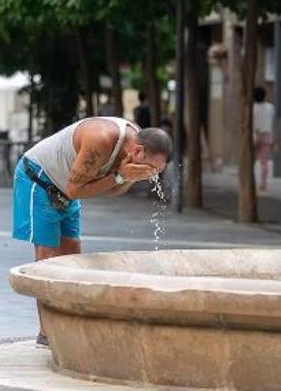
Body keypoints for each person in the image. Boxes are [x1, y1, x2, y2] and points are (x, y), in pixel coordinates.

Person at [12, 116, 171, 346]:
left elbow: (114, 190)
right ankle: (46, 332)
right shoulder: (101, 139)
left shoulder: (136, 142)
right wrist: (121, 176)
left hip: (66, 189)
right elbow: (76, 189)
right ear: (137, 151)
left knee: (72, 255)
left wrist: (125, 177)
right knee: (47, 257)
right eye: (151, 169)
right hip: (39, 179)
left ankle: (70, 322)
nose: (152, 175)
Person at [253, 87, 275, 191]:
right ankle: (263, 183)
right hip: (267, 134)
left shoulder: (251, 107)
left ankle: (250, 181)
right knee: (264, 162)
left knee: (250, 161)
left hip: (253, 135)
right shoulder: (270, 107)